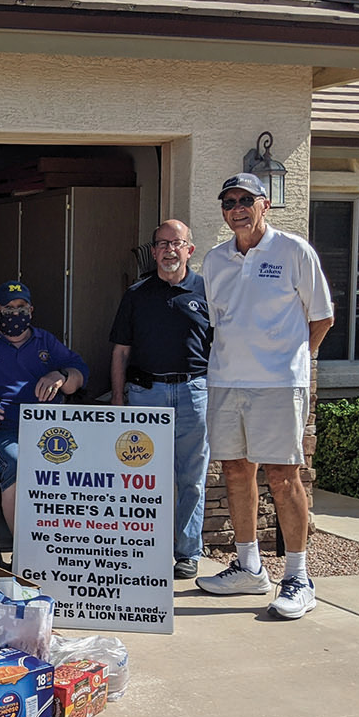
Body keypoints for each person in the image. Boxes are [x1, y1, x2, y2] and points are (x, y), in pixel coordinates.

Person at [195, 173, 334, 620]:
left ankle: (297, 576)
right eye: (228, 202)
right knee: (235, 473)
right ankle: (249, 567)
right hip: (227, 382)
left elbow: (322, 318)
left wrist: (293, 362)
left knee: (283, 476)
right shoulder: (215, 261)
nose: (236, 208)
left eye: (245, 200)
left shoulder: (294, 251)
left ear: (264, 205)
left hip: (278, 386)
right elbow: (218, 323)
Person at [109, 220, 212, 580]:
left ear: (189, 250)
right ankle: (144, 549)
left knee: (191, 478)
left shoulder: (208, 290)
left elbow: (222, 349)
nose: (169, 250)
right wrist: (119, 399)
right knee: (142, 480)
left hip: (193, 394)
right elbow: (121, 352)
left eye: (176, 243)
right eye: (162, 244)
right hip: (145, 395)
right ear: (153, 251)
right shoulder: (136, 295)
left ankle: (187, 552)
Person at [0, 280, 88, 535]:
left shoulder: (45, 341)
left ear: (31, 311)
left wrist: (60, 375)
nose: (16, 313)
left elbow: (78, 376)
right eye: (9, 308)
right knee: (20, 464)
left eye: (21, 307)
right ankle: (25, 552)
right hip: (0, 432)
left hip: (49, 431)